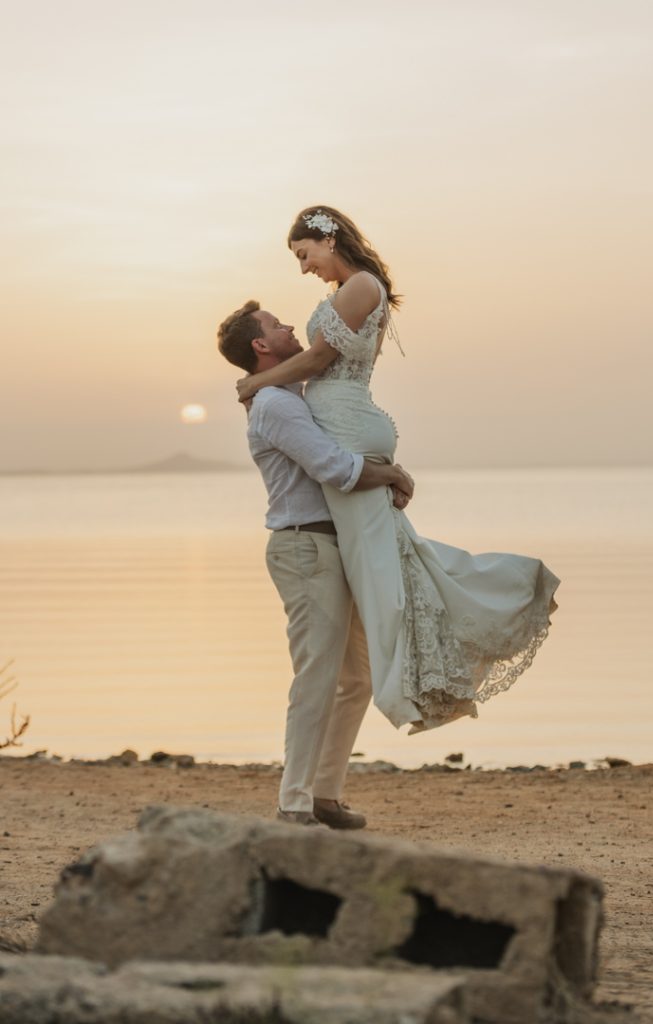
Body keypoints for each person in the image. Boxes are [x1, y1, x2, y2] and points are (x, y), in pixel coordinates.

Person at [235, 206, 560, 735]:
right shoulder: (350, 289)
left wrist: (256, 385)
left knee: (378, 566)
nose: (302, 268)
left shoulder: (362, 285)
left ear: (327, 237)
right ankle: (415, 676)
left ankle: (493, 607)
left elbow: (318, 361)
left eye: (303, 254)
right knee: (390, 558)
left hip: (348, 423)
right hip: (347, 423)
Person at [217, 300, 414, 827]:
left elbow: (335, 360)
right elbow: (332, 466)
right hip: (303, 548)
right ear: (261, 346)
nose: (288, 328)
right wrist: (391, 474)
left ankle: (324, 794)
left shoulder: (289, 394)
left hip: (332, 546)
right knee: (317, 676)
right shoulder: (277, 406)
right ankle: (294, 801)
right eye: (277, 326)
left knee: (359, 677)